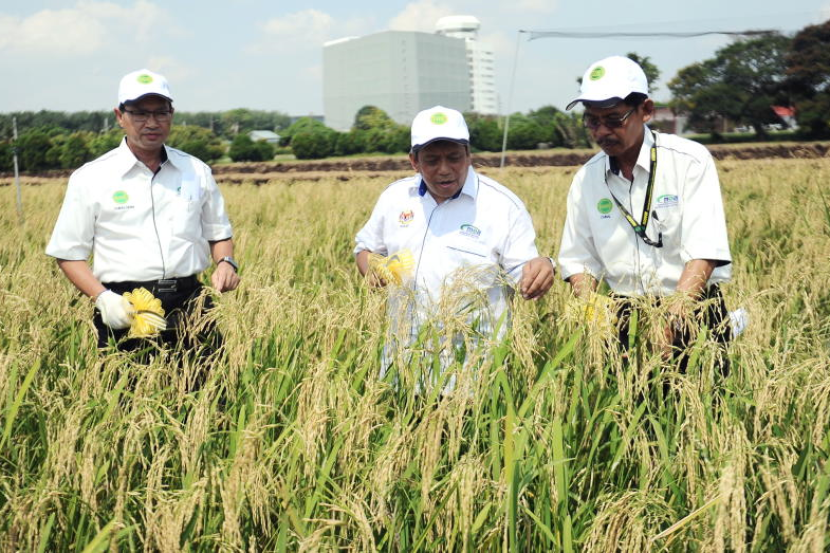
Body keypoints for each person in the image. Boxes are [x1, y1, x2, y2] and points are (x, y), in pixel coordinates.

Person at [354, 105, 554, 388]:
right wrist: (372, 267)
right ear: (414, 161)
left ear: (469, 156)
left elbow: (525, 273)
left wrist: (542, 267)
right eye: (432, 160)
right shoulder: (395, 198)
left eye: (454, 158)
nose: (445, 170)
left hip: (475, 368)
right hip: (403, 363)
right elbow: (365, 249)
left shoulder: (502, 206)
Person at [46, 68, 240, 350]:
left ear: (171, 114)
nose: (151, 122)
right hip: (125, 306)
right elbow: (68, 252)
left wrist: (226, 262)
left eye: (160, 112)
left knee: (208, 378)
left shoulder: (196, 171)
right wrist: (103, 298)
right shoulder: (91, 178)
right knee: (128, 380)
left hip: (191, 303)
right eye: (139, 113)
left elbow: (218, 232)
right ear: (119, 116)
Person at [557, 56, 732, 365]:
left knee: (703, 393)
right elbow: (578, 261)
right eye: (592, 121)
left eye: (614, 119)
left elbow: (704, 249)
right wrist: (595, 319)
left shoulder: (688, 161)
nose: (601, 131)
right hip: (623, 315)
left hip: (692, 306)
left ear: (646, 110)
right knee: (625, 396)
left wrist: (675, 317)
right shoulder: (587, 178)